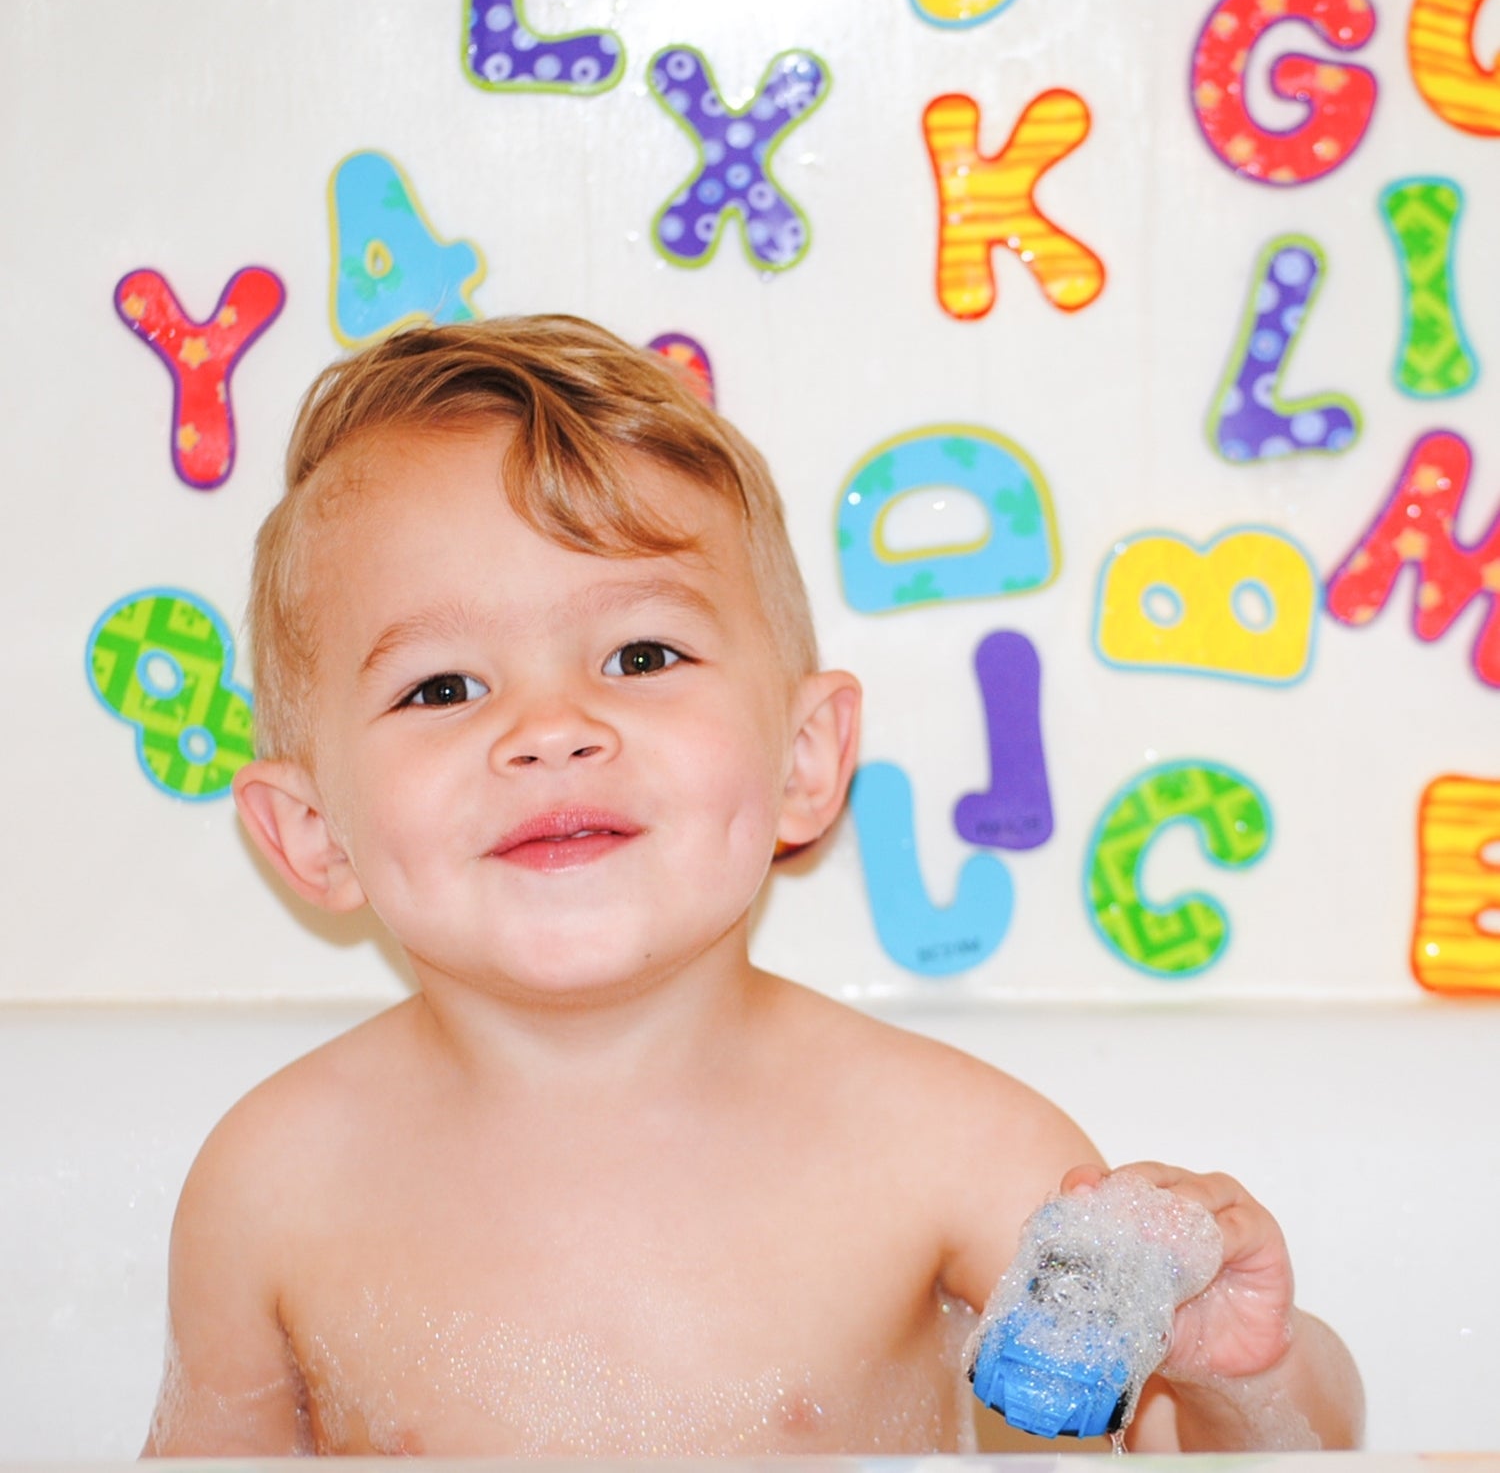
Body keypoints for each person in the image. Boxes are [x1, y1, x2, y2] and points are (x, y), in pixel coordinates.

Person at [143, 315, 1364, 1456]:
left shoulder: (945, 1151)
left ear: (803, 760)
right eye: (443, 687)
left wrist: (1235, 1376)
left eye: (641, 655)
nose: (551, 729)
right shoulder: (273, 1185)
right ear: (313, 833)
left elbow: (1214, 1463)